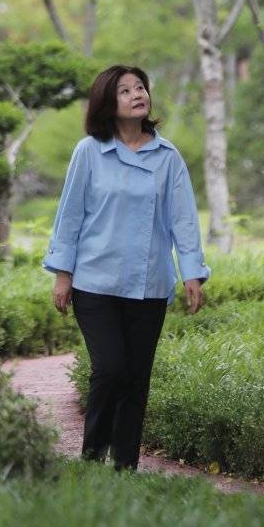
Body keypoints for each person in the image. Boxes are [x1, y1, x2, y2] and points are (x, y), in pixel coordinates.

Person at [43, 64, 211, 472]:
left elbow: (183, 218)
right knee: (111, 368)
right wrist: (63, 274)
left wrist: (191, 272)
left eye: (141, 87)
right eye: (125, 91)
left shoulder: (168, 157)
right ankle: (90, 457)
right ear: (108, 103)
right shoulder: (89, 151)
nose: (137, 94)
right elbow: (71, 215)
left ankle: (125, 467)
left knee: (136, 378)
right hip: (95, 282)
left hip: (148, 284)